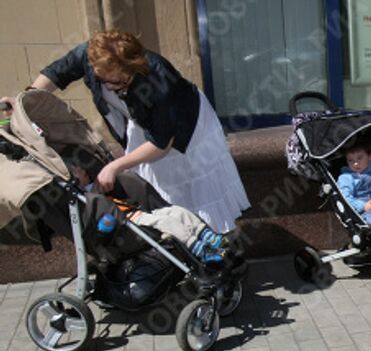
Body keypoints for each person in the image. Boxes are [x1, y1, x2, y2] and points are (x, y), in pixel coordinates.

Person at [20, 30, 249, 233]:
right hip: (141, 122)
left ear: (135, 67)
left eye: (120, 82)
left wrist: (115, 165)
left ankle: (214, 247)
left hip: (186, 127)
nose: (111, 88)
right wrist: (24, 105)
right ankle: (175, 242)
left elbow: (161, 143)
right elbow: (55, 74)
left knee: (195, 189)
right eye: (105, 81)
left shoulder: (159, 78)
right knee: (152, 189)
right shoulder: (91, 54)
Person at [67, 162, 228, 264]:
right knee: (167, 224)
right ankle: (199, 249)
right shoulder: (84, 200)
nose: (81, 168)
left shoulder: (96, 186)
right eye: (76, 169)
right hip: (128, 224)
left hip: (138, 212)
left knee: (177, 212)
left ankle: (209, 237)